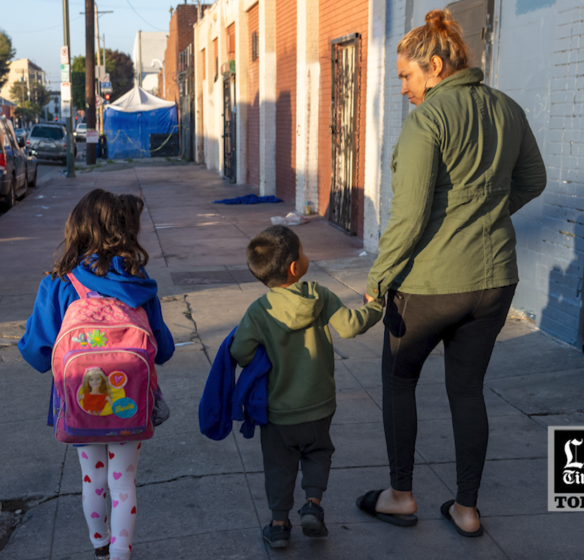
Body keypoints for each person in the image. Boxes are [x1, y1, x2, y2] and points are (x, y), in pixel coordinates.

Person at [356, 9, 546, 538]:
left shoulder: (429, 120)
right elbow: (534, 178)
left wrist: (380, 276)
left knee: (398, 379)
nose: (403, 89)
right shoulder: (506, 107)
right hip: (494, 283)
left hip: (431, 285)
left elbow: (411, 214)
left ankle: (399, 494)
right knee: (467, 391)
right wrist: (485, 216)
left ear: (435, 67)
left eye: (406, 77)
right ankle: (466, 509)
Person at [19, 189, 175, 560]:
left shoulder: (59, 282)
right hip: (128, 404)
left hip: (79, 404)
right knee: (124, 483)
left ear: (77, 228)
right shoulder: (138, 280)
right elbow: (163, 349)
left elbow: (36, 352)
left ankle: (100, 547)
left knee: (93, 478)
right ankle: (121, 554)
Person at [230, 225, 383, 548]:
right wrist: (375, 306)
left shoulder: (259, 311)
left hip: (278, 411)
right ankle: (312, 504)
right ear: (294, 267)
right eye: (303, 251)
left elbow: (240, 352)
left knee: (278, 465)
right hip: (320, 404)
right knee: (318, 452)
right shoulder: (320, 295)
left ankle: (279, 524)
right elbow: (351, 326)